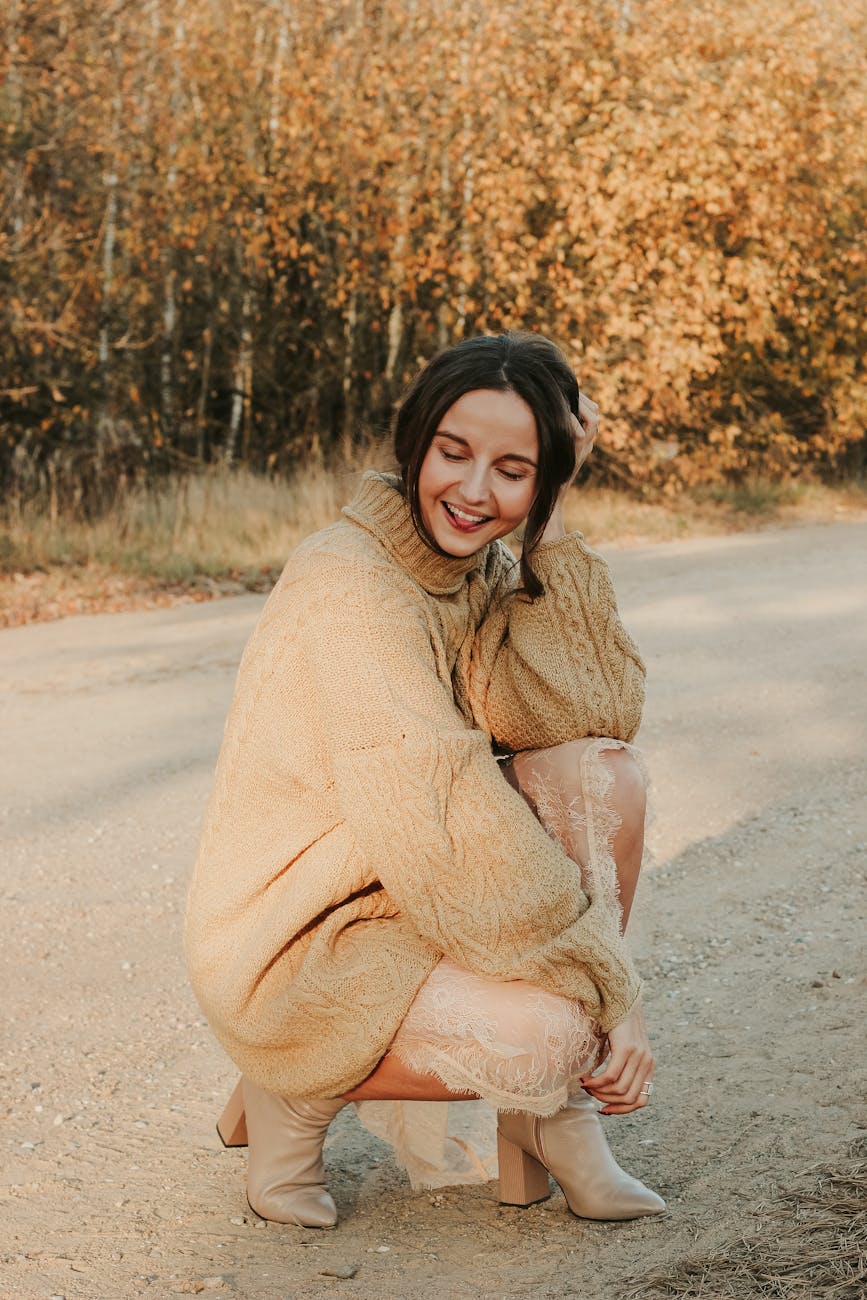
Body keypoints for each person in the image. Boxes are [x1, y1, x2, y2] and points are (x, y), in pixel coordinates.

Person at [184, 331, 665, 1229]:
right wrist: (610, 990)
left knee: (604, 776)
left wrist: (552, 518)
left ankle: (562, 1116)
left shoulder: (470, 567)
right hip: (305, 934)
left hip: (411, 892)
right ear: (414, 443)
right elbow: (447, 821)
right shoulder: (351, 585)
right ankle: (294, 1086)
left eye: (515, 469)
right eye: (453, 453)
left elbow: (590, 706)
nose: (475, 490)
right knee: (548, 1036)